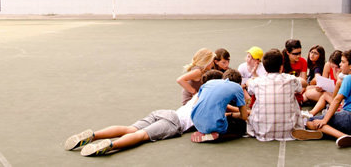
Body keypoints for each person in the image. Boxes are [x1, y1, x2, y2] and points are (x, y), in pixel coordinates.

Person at [64, 70, 225, 157]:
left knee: (129, 129)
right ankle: (110, 146)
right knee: (141, 135)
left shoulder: (198, 93)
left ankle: (93, 135)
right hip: (174, 123)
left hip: (164, 112)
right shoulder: (211, 100)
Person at [298, 49, 351, 148]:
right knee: (320, 122)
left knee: (309, 122)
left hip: (350, 119)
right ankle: (324, 132)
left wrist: (324, 120)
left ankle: (344, 136)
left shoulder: (348, 79)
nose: (340, 64)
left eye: (343, 62)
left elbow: (337, 99)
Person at [246, 48, 322, 141]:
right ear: (281, 67)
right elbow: (304, 83)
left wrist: (251, 79)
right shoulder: (290, 79)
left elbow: (249, 87)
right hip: (289, 129)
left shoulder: (257, 81)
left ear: (265, 68)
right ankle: (301, 125)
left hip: (262, 131)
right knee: (294, 98)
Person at [190, 69, 248, 142]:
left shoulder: (209, 82)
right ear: (239, 83)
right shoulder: (237, 87)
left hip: (195, 121)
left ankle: (204, 131)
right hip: (214, 125)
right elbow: (244, 116)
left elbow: (194, 105)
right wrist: (230, 114)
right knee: (242, 125)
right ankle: (218, 135)